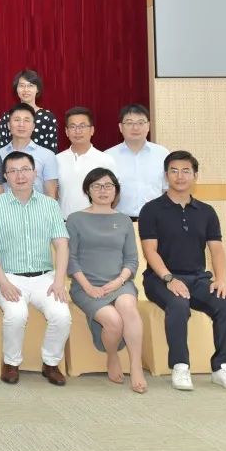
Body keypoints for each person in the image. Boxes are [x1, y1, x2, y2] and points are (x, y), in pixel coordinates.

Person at [139, 151, 226, 392]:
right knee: (178, 304)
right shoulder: (151, 210)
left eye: (186, 171)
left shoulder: (206, 211)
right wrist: (169, 278)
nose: (180, 176)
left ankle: (222, 367)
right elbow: (150, 251)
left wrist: (221, 280)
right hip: (159, 278)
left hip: (197, 278)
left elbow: (216, 250)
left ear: (195, 176)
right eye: (174, 171)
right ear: (166, 175)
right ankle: (180, 365)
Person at [0, 152, 71, 386]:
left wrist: (59, 281)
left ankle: (50, 363)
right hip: (9, 277)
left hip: (45, 277)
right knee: (16, 314)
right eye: (13, 171)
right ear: (5, 176)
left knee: (62, 315)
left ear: (34, 173)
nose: (19, 176)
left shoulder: (50, 205)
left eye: (25, 170)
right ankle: (11, 363)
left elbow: (61, 244)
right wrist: (3, 283)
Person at [67, 168, 147, 393]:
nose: (103, 190)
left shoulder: (123, 220)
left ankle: (136, 366)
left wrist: (119, 281)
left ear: (116, 191)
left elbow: (131, 260)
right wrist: (88, 287)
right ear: (88, 190)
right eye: (97, 186)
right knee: (113, 322)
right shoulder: (75, 219)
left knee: (128, 307)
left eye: (108, 186)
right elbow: (71, 260)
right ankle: (112, 356)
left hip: (120, 283)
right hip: (86, 286)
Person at [105, 104, 169, 219]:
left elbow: (167, 189)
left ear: (148, 126)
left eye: (140, 122)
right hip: (119, 220)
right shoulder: (108, 156)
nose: (135, 128)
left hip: (156, 219)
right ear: (120, 127)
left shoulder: (162, 154)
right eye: (129, 123)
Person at [57, 107, 117, 219]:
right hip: (64, 222)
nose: (77, 131)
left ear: (92, 130)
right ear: (66, 131)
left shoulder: (105, 160)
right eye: (73, 126)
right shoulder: (57, 160)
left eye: (82, 126)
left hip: (97, 221)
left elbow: (115, 194)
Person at [0, 103, 58, 198]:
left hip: (38, 207)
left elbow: (51, 194)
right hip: (5, 207)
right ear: (8, 125)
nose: (21, 124)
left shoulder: (47, 155)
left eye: (26, 120)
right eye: (17, 120)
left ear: (33, 126)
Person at [0, 69, 60, 152]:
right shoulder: (7, 116)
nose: (26, 90)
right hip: (11, 159)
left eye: (30, 85)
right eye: (22, 85)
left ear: (37, 89)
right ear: (16, 89)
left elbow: (51, 151)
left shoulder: (47, 117)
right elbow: (0, 148)